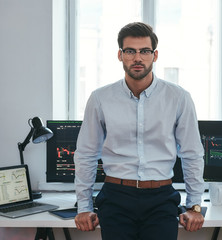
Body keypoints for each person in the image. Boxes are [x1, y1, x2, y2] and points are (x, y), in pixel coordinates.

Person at [74, 22, 205, 240]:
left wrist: (194, 205)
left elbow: (192, 153)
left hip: (161, 198)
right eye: (130, 51)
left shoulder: (178, 97)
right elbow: (86, 154)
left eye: (144, 51)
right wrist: (84, 206)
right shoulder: (100, 99)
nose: (138, 58)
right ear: (120, 55)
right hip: (116, 197)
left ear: (154, 55)